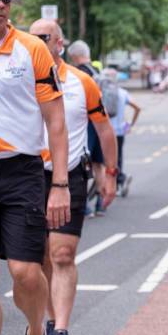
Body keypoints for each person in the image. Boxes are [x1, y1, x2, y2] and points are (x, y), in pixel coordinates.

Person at [29, 19, 118, 335]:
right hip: (28, 176)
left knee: (62, 254)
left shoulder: (82, 83)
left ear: (59, 43)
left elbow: (105, 129)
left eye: (44, 38)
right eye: (32, 37)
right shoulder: (22, 77)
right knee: (38, 258)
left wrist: (110, 173)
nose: (36, 42)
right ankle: (47, 323)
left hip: (70, 175)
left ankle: (61, 330)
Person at [0, 0, 70, 335]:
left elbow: (55, 120)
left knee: (25, 272)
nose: (0, 5)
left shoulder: (31, 49)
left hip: (21, 171)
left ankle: (36, 332)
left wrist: (60, 183)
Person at [67, 39, 106, 216]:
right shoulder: (97, 70)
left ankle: (84, 205)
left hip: (87, 124)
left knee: (84, 162)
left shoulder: (78, 74)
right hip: (101, 121)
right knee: (99, 165)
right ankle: (100, 203)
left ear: (74, 56)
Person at [101, 68, 140, 197]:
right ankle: (120, 179)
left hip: (106, 131)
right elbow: (137, 107)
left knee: (106, 159)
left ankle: (118, 180)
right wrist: (130, 124)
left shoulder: (101, 92)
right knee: (118, 158)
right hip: (120, 130)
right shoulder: (123, 93)